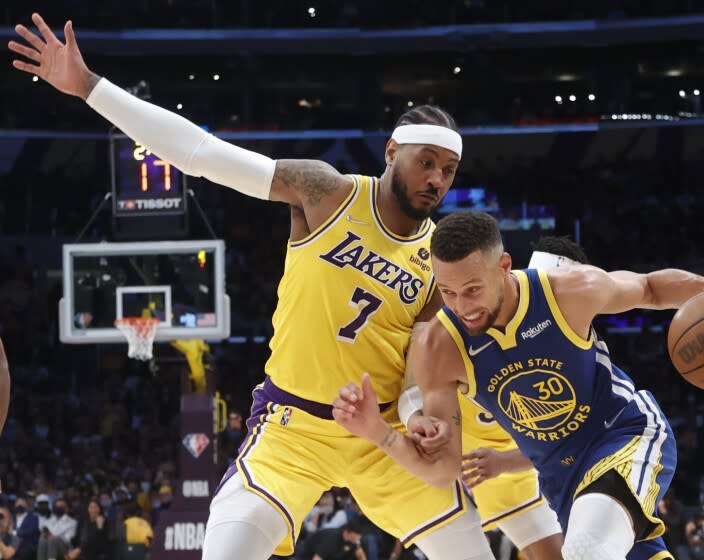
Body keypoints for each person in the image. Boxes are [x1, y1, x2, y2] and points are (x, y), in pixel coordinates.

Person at [8, 13, 493, 560]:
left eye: (447, 170)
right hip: (293, 428)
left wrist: (417, 418)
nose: (435, 179)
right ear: (390, 152)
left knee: (472, 553)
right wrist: (90, 88)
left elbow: (415, 369)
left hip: (376, 432)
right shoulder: (325, 192)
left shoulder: (439, 261)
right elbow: (201, 155)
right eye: (425, 162)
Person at [333, 211, 704, 560]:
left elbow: (651, 289)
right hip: (560, 477)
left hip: (621, 433)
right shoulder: (438, 344)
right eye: (447, 292)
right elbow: (445, 470)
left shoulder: (568, 291)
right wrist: (380, 433)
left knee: (586, 551)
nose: (460, 306)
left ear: (504, 266)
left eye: (471, 289)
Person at [397, 236, 588, 559]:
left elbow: (571, 444)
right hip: (441, 456)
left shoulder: (577, 353)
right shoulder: (463, 322)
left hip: (506, 472)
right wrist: (419, 420)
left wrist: (504, 463)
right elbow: (412, 393)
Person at [301, 516, 369, 560]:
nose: (357, 540)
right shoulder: (331, 538)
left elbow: (360, 555)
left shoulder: (353, 541)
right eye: (355, 537)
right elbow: (317, 558)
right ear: (347, 533)